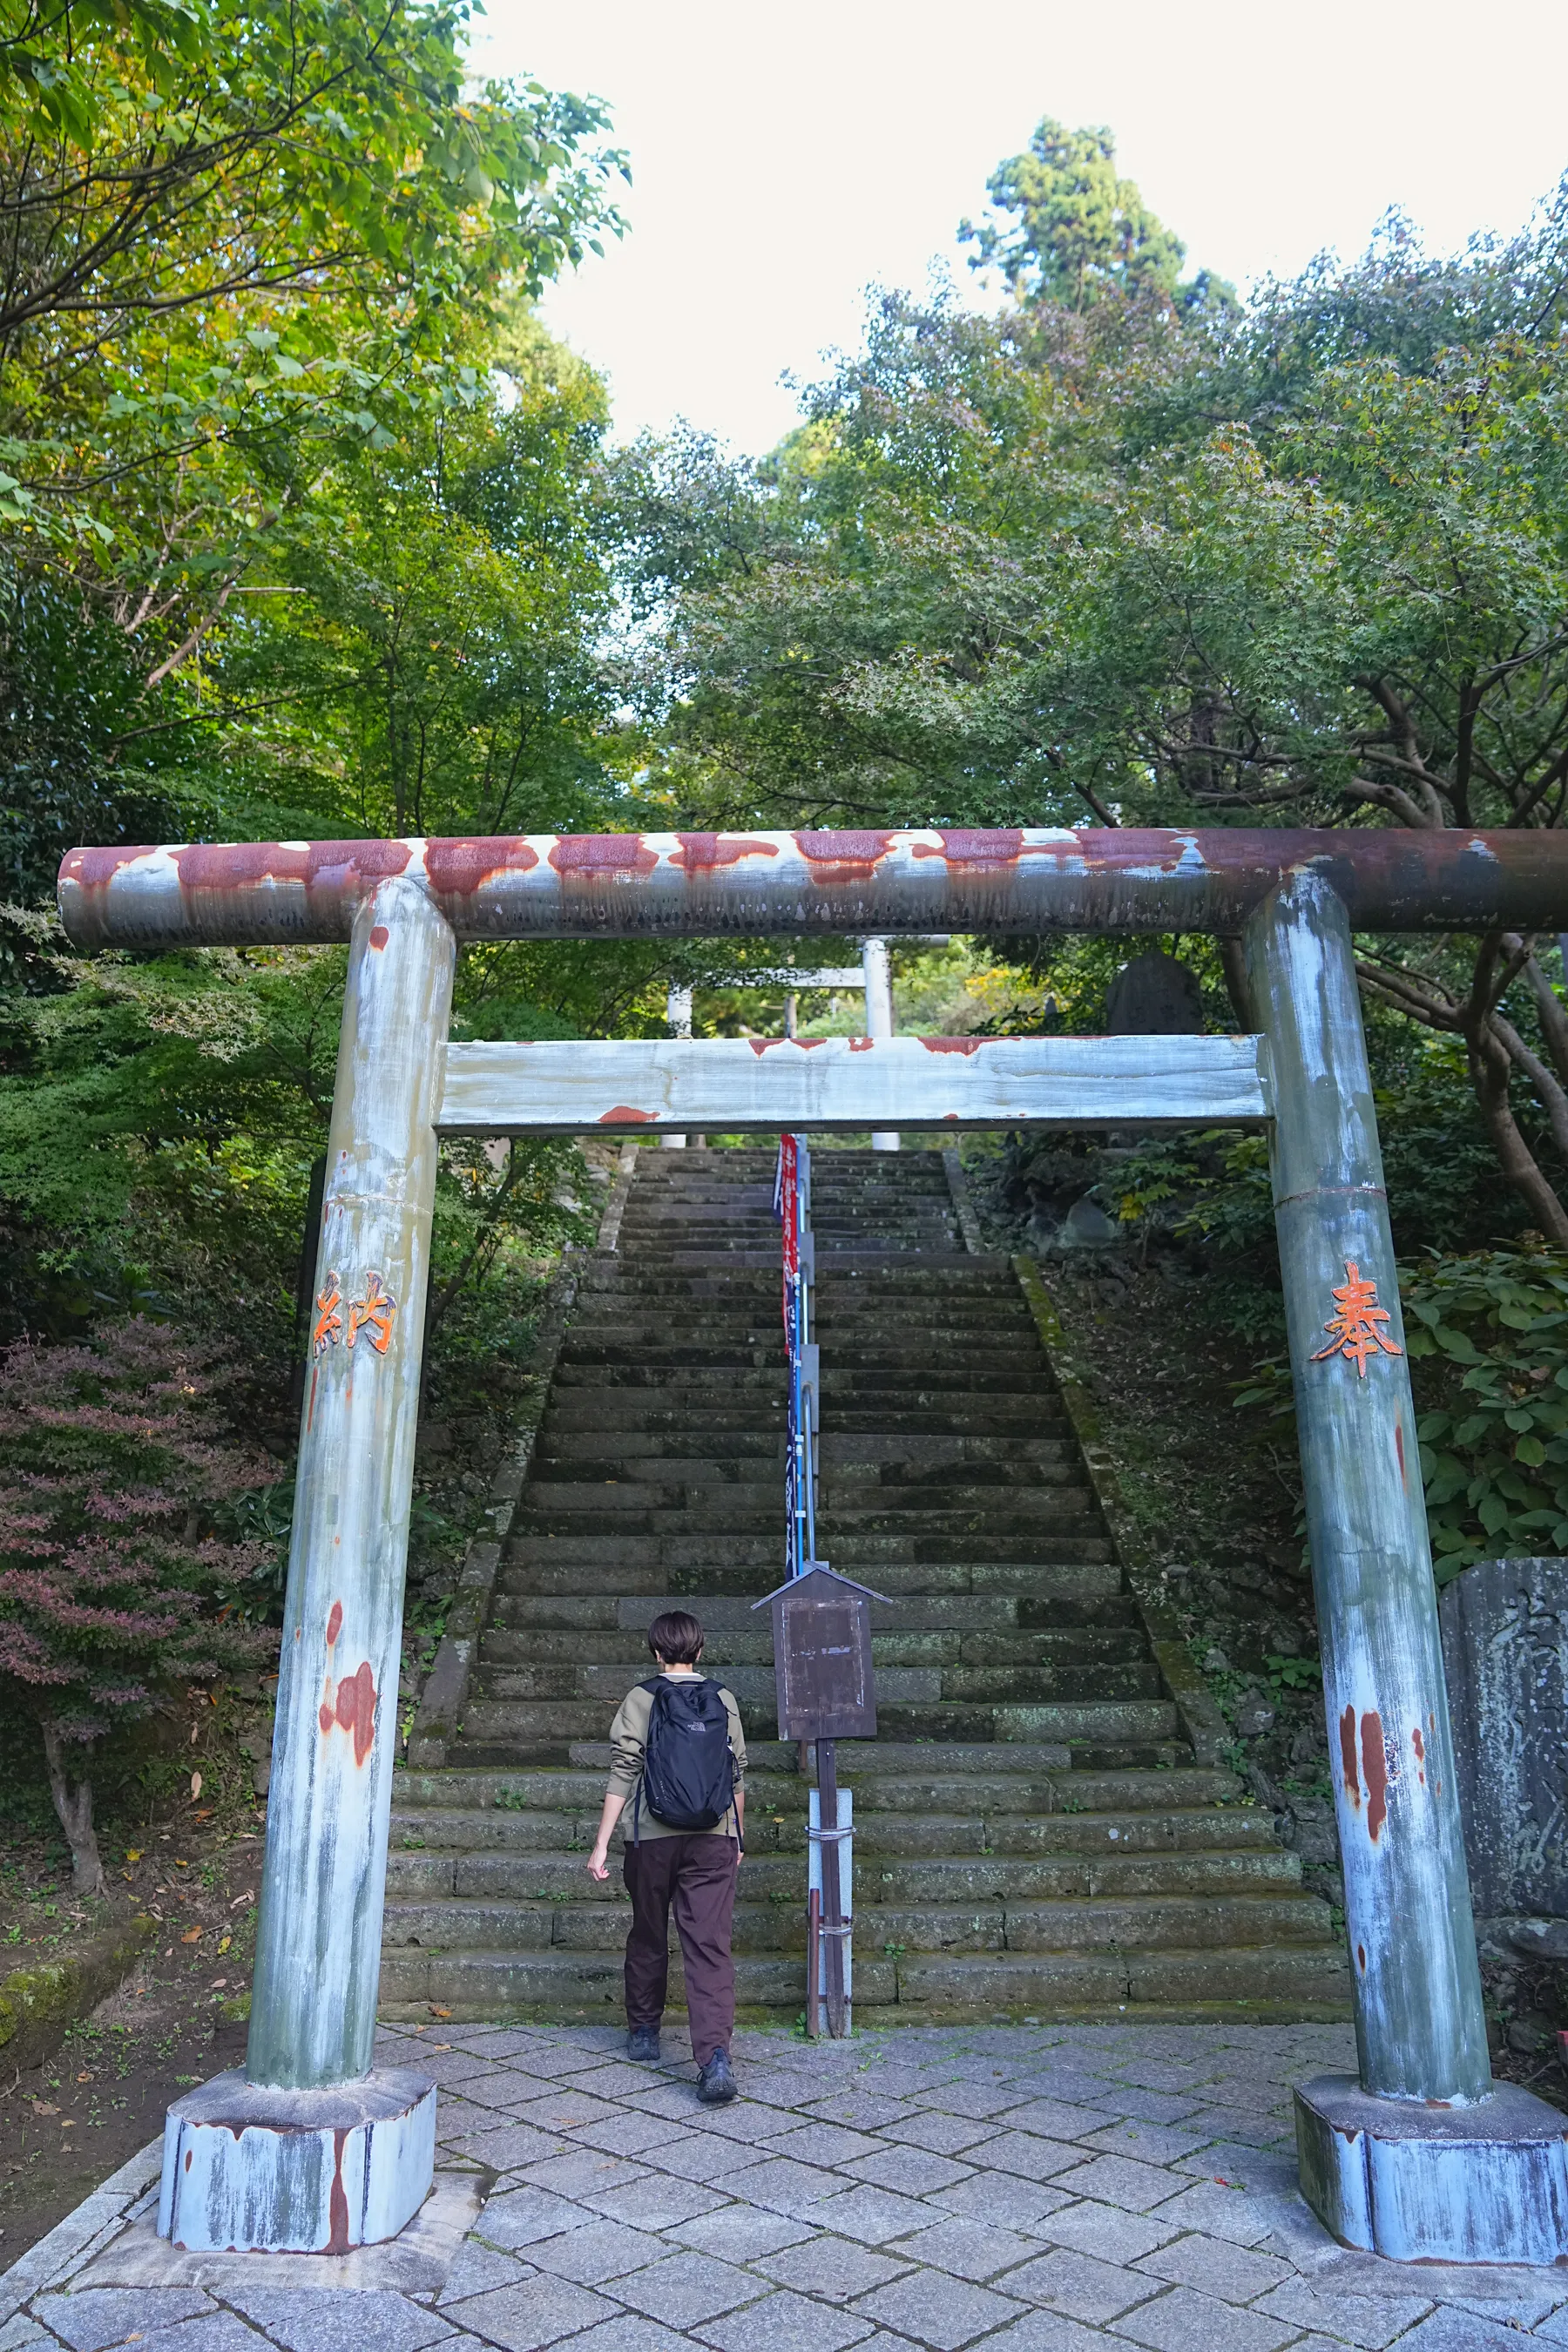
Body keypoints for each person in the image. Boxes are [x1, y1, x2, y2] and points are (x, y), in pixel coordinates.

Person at [585, 1609, 746, 2103]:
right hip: (714, 1836)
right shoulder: (723, 1697)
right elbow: (737, 1771)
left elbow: (623, 1770)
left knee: (649, 1930)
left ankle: (644, 2033)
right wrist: (737, 1837)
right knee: (710, 1945)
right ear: (699, 1650)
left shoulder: (641, 1697)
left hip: (650, 1836)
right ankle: (715, 2058)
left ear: (656, 1652)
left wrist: (601, 1843)